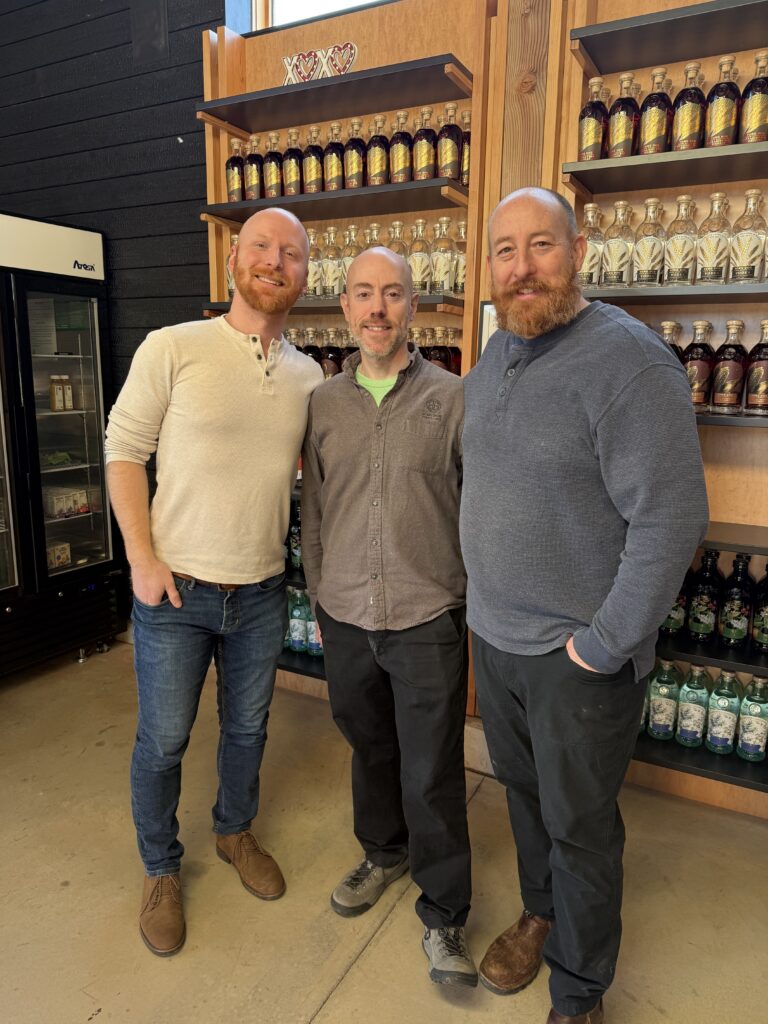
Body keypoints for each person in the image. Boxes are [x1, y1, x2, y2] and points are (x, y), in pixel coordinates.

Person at [460, 188, 708, 1023]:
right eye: (504, 250)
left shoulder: (629, 362)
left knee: (581, 827)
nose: (521, 267)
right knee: (524, 797)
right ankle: (541, 913)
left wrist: (604, 645)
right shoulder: (497, 353)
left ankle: (579, 992)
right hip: (496, 640)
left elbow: (672, 518)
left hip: (576, 660)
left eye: (541, 245)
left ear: (579, 251)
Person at [105, 208, 323, 956]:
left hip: (261, 591)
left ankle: (234, 831)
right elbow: (123, 450)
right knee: (165, 740)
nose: (275, 261)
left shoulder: (308, 377)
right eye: (261, 245)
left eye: (291, 252)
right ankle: (161, 868)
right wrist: (142, 558)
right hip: (176, 591)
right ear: (233, 258)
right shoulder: (173, 347)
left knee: (248, 729)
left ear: (305, 274)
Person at [301, 247, 476, 987]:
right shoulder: (322, 403)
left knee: (431, 767)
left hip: (426, 615)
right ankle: (383, 853)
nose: (378, 308)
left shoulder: (454, 398)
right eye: (364, 294)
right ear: (345, 306)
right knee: (368, 747)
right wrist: (320, 590)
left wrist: (464, 595)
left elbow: (475, 507)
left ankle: (445, 913)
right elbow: (314, 508)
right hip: (344, 613)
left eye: (393, 294)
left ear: (414, 307)